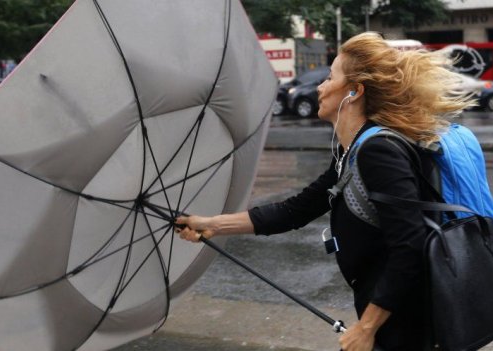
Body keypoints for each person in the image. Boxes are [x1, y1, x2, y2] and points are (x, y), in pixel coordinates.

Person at [176, 32, 475, 351]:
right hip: (390, 320)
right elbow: (294, 211)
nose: (320, 85)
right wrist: (211, 225)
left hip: (406, 325)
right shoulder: (353, 153)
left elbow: (410, 244)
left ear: (354, 91)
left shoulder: (378, 152)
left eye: (330, 76)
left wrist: (367, 328)